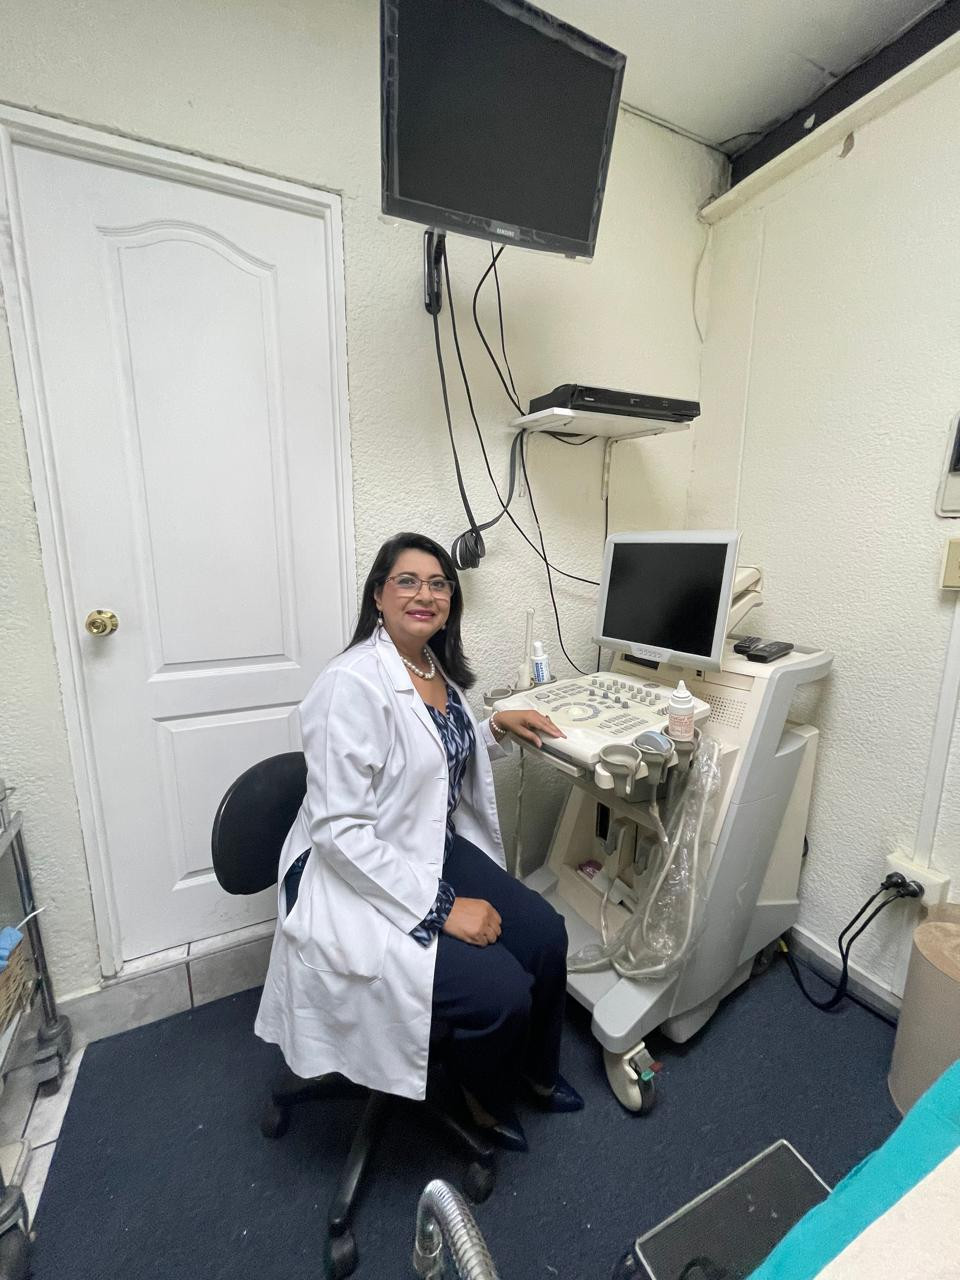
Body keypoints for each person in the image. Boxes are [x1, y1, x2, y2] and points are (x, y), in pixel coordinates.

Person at [255, 531, 583, 1150]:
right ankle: (481, 1099)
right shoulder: (350, 683)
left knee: (545, 936)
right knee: (499, 992)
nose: (425, 595)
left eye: (438, 584)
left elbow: (425, 755)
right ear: (378, 596)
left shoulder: (432, 668)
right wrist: (441, 908)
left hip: (426, 845)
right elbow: (339, 831)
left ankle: (534, 1075)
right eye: (407, 581)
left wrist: (492, 728)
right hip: (353, 870)